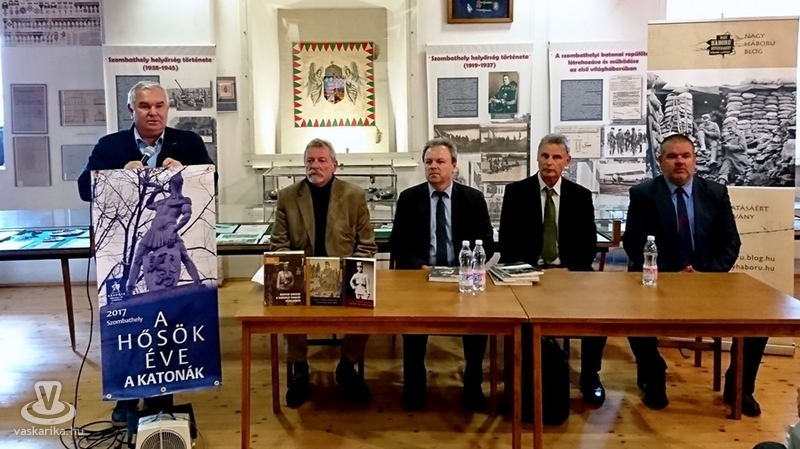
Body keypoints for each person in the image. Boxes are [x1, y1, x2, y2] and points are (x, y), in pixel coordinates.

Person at [76, 81, 214, 424]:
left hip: (170, 243)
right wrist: (118, 175)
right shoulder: (111, 145)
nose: (153, 112)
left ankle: (161, 396)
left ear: (167, 108)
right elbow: (84, 188)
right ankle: (127, 395)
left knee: (167, 320)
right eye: (144, 106)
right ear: (131, 110)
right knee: (130, 323)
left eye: (159, 105)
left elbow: (210, 181)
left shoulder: (188, 143)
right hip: (136, 241)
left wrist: (184, 174)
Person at [623, 132, 766, 416]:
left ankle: (739, 387)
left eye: (685, 156)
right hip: (661, 281)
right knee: (629, 315)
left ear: (695, 160)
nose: (679, 162)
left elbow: (730, 243)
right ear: (660, 161)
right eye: (672, 156)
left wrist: (705, 274)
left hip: (709, 281)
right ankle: (654, 375)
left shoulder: (715, 193)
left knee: (760, 321)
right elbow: (634, 243)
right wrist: (671, 275)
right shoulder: (643, 194)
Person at [269, 137, 377, 408]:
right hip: (302, 276)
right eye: (310, 160)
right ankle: (300, 368)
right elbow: (279, 244)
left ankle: (347, 365)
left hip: (342, 275)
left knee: (367, 305)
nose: (315, 166)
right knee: (286, 303)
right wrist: (294, 274)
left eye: (321, 160)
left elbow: (366, 245)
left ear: (334, 165)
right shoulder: (288, 196)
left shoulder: (354, 195)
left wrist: (352, 275)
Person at [389, 137, 494, 411]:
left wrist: (466, 268)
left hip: (462, 276)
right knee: (414, 329)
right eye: (428, 162)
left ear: (454, 165)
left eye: (440, 161)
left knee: (477, 325)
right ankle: (415, 385)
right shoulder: (409, 199)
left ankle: (473, 384)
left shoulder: (472, 199)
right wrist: (421, 267)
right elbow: (398, 244)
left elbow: (486, 241)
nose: (433, 166)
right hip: (421, 277)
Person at [498, 133, 604, 404]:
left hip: (569, 272)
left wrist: (566, 271)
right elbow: (507, 245)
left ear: (567, 161)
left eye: (556, 157)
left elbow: (588, 246)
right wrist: (533, 271)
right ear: (537, 158)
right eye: (545, 156)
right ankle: (521, 374)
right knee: (512, 312)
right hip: (528, 273)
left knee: (599, 311)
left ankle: (590, 375)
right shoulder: (516, 193)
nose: (549, 162)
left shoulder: (580, 196)